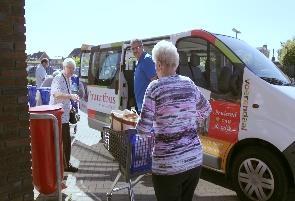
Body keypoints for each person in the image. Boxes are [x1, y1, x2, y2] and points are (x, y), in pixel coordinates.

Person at [136, 40, 212, 201]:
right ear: (175, 64)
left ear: (160, 65)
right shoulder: (189, 83)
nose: (155, 67)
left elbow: (143, 130)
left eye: (156, 64)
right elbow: (206, 109)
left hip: (168, 165)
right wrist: (189, 120)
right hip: (194, 160)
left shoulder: (154, 87)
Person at [49, 58, 79, 173]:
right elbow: (56, 95)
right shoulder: (58, 78)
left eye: (73, 69)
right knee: (65, 141)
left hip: (64, 115)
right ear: (64, 67)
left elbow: (65, 95)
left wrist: (70, 104)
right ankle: (65, 165)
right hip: (59, 116)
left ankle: (64, 164)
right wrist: (70, 96)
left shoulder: (68, 78)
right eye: (70, 68)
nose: (72, 71)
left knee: (65, 141)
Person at [131, 39, 157, 114]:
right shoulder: (139, 61)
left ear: (142, 47)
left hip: (147, 104)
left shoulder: (147, 59)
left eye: (137, 47)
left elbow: (154, 83)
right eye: (133, 49)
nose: (135, 50)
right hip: (140, 102)